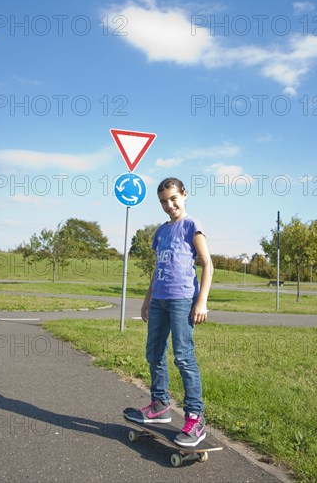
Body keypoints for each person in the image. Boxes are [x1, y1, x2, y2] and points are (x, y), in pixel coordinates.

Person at [127, 177, 213, 447]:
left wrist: (202, 301)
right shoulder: (162, 231)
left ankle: (195, 417)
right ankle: (160, 405)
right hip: (159, 301)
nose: (169, 204)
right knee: (154, 352)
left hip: (182, 299)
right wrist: (146, 300)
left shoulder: (192, 225)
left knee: (184, 357)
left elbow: (207, 264)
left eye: (173, 198)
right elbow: (157, 270)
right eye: (164, 201)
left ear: (184, 195)